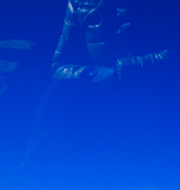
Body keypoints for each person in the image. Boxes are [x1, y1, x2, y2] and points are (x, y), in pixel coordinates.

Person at [22, 0, 169, 166]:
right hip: (102, 92)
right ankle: (32, 173)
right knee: (55, 93)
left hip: (153, 93)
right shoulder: (79, 3)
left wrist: (123, 70)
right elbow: (58, 67)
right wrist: (99, 75)